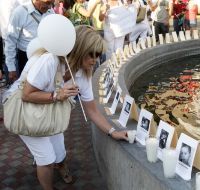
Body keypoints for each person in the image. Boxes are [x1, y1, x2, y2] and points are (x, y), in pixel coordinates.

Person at [3, 26, 128, 190]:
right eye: (91, 54)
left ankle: (61, 165)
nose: (95, 60)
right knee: (46, 158)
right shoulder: (49, 61)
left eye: (98, 55)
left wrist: (114, 132)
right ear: (79, 49)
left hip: (49, 110)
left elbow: (92, 111)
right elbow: (26, 94)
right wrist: (56, 95)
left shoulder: (84, 74)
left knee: (59, 148)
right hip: (25, 111)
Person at [4, 0, 54, 83]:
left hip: (46, 57)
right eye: (47, 3)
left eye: (52, 3)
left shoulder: (51, 12)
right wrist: (11, 67)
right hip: (25, 59)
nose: (50, 7)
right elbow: (10, 41)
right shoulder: (20, 12)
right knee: (26, 87)